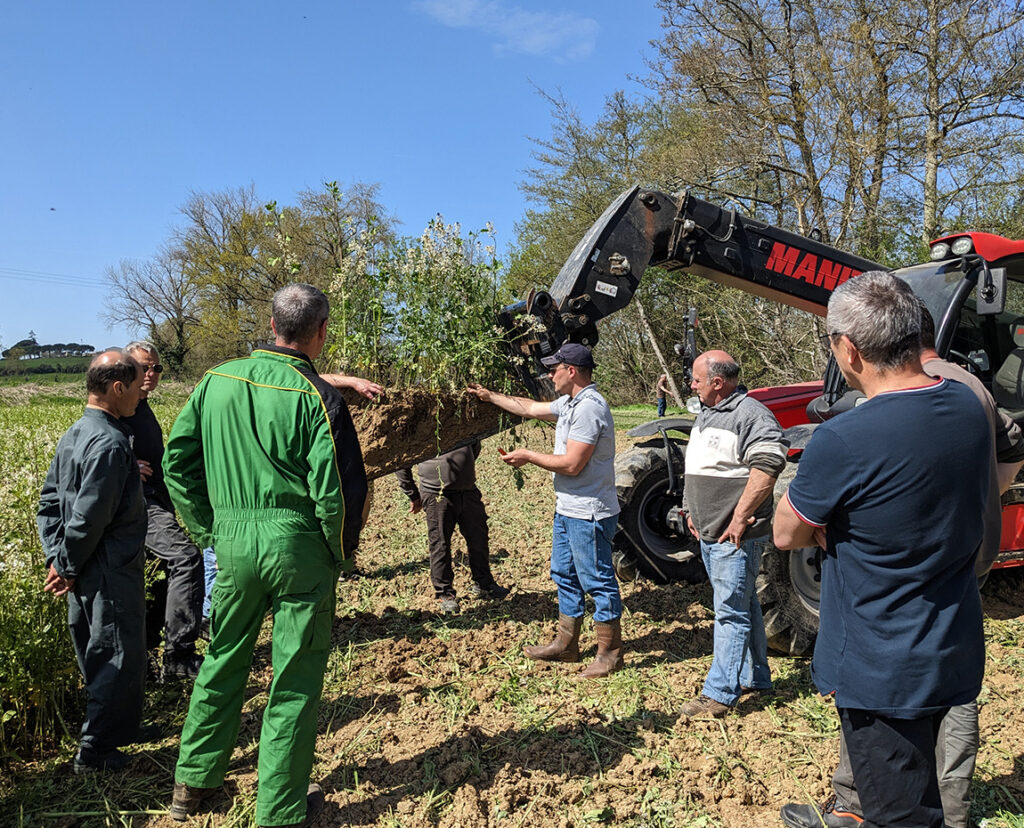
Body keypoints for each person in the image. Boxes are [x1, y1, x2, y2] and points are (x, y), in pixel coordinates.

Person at [780, 302, 1024, 828]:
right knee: (939, 731)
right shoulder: (966, 402)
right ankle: (940, 807)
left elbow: (785, 532)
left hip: (879, 662)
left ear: (850, 350)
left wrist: (840, 521)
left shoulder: (843, 437)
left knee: (902, 812)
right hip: (951, 627)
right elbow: (1009, 447)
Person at [165, 284, 373, 827]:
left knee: (222, 659)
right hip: (298, 546)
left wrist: (210, 529)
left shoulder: (215, 381)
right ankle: (279, 809)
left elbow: (177, 464)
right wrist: (339, 553)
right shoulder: (319, 397)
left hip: (232, 544)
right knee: (294, 677)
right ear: (321, 333)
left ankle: (192, 784)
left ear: (273, 324)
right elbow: (341, 492)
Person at [467, 342, 624, 678]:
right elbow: (529, 408)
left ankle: (609, 653)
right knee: (565, 574)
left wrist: (528, 456)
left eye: (555, 368)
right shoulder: (570, 403)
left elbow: (572, 464)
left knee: (597, 580)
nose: (549, 374)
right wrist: (491, 396)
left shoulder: (589, 408)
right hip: (568, 509)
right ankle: (567, 645)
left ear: (572, 371)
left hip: (589, 512)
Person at [37, 350, 148, 773]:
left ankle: (117, 732)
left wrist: (58, 558)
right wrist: (64, 564)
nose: (140, 395)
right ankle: (96, 749)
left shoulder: (75, 433)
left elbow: (49, 504)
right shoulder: (110, 442)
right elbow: (88, 517)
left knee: (97, 650)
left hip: (84, 568)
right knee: (114, 654)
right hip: (108, 570)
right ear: (117, 388)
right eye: (136, 387)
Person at [678, 350, 786, 720]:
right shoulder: (708, 414)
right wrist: (689, 507)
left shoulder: (751, 415)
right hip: (709, 531)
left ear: (717, 383)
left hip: (734, 536)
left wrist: (741, 518)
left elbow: (769, 464)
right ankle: (756, 676)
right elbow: (697, 465)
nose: (691, 385)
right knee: (743, 603)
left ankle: (720, 693)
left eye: (696, 379)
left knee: (729, 613)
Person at [121, 340, 205, 680]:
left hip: (157, 501)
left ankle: (148, 659)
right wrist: (126, 466)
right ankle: (179, 654)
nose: (152, 374)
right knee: (185, 557)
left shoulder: (141, 406)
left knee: (158, 578)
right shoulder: (120, 406)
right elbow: (96, 445)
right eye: (144, 367)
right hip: (140, 504)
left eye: (156, 368)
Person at [396, 441, 509, 615]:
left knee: (478, 538)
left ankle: (484, 584)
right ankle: (445, 593)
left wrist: (462, 468)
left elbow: (474, 446)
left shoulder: (459, 422)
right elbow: (402, 461)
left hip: (468, 491)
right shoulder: (422, 428)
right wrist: (412, 493)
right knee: (440, 544)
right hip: (436, 494)